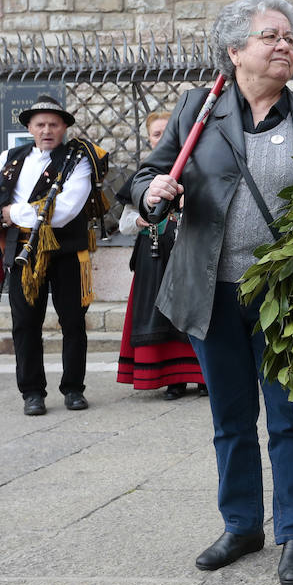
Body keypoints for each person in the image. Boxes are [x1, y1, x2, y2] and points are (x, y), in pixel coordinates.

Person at [131, 0, 293, 585]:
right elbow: (148, 173)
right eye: (271, 37)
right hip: (212, 291)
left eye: (290, 38)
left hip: (292, 295)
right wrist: (151, 194)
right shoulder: (196, 112)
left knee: (291, 417)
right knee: (230, 416)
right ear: (235, 51)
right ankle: (241, 525)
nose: (285, 46)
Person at [0, 97, 109, 417]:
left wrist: (8, 213)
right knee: (24, 323)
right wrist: (1, 216)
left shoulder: (79, 159)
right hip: (22, 251)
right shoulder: (11, 156)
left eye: (53, 124)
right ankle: (32, 392)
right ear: (30, 128)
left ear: (64, 127)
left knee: (73, 322)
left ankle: (74, 388)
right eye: (40, 124)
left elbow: (63, 211)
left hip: (67, 249)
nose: (47, 130)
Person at [115, 110, 206, 399]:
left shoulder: (201, 170)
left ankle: (203, 377)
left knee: (195, 313)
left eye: (167, 132)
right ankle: (172, 379)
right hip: (153, 260)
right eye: (157, 134)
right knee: (159, 317)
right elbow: (124, 223)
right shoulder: (144, 177)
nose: (162, 137)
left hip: (192, 259)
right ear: (151, 139)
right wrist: (142, 218)